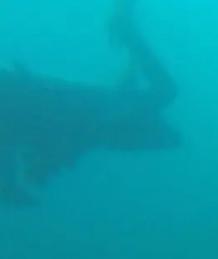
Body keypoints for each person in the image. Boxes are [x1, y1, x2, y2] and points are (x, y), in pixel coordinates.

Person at [0, 0, 179, 206]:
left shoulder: (84, 136)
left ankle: (127, 32)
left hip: (40, 100)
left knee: (162, 95)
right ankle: (127, 32)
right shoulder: (93, 132)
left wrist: (15, 182)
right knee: (163, 94)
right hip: (43, 100)